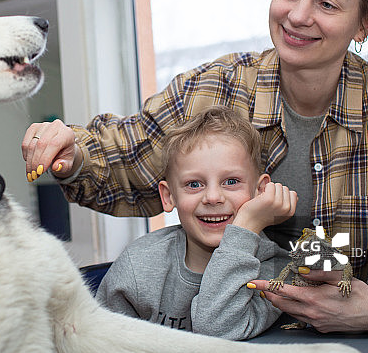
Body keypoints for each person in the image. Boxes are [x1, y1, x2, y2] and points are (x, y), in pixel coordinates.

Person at [22, 0, 368, 332]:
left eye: (327, 3)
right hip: (230, 334)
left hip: (354, 346)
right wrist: (72, 153)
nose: (297, 15)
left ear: (365, 22)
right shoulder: (216, 88)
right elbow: (129, 156)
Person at [96, 105, 295, 340]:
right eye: (194, 184)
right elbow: (99, 351)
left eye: (231, 181)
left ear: (260, 190)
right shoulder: (137, 266)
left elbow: (218, 330)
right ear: (169, 197)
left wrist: (246, 227)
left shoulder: (277, 271)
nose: (212, 197)